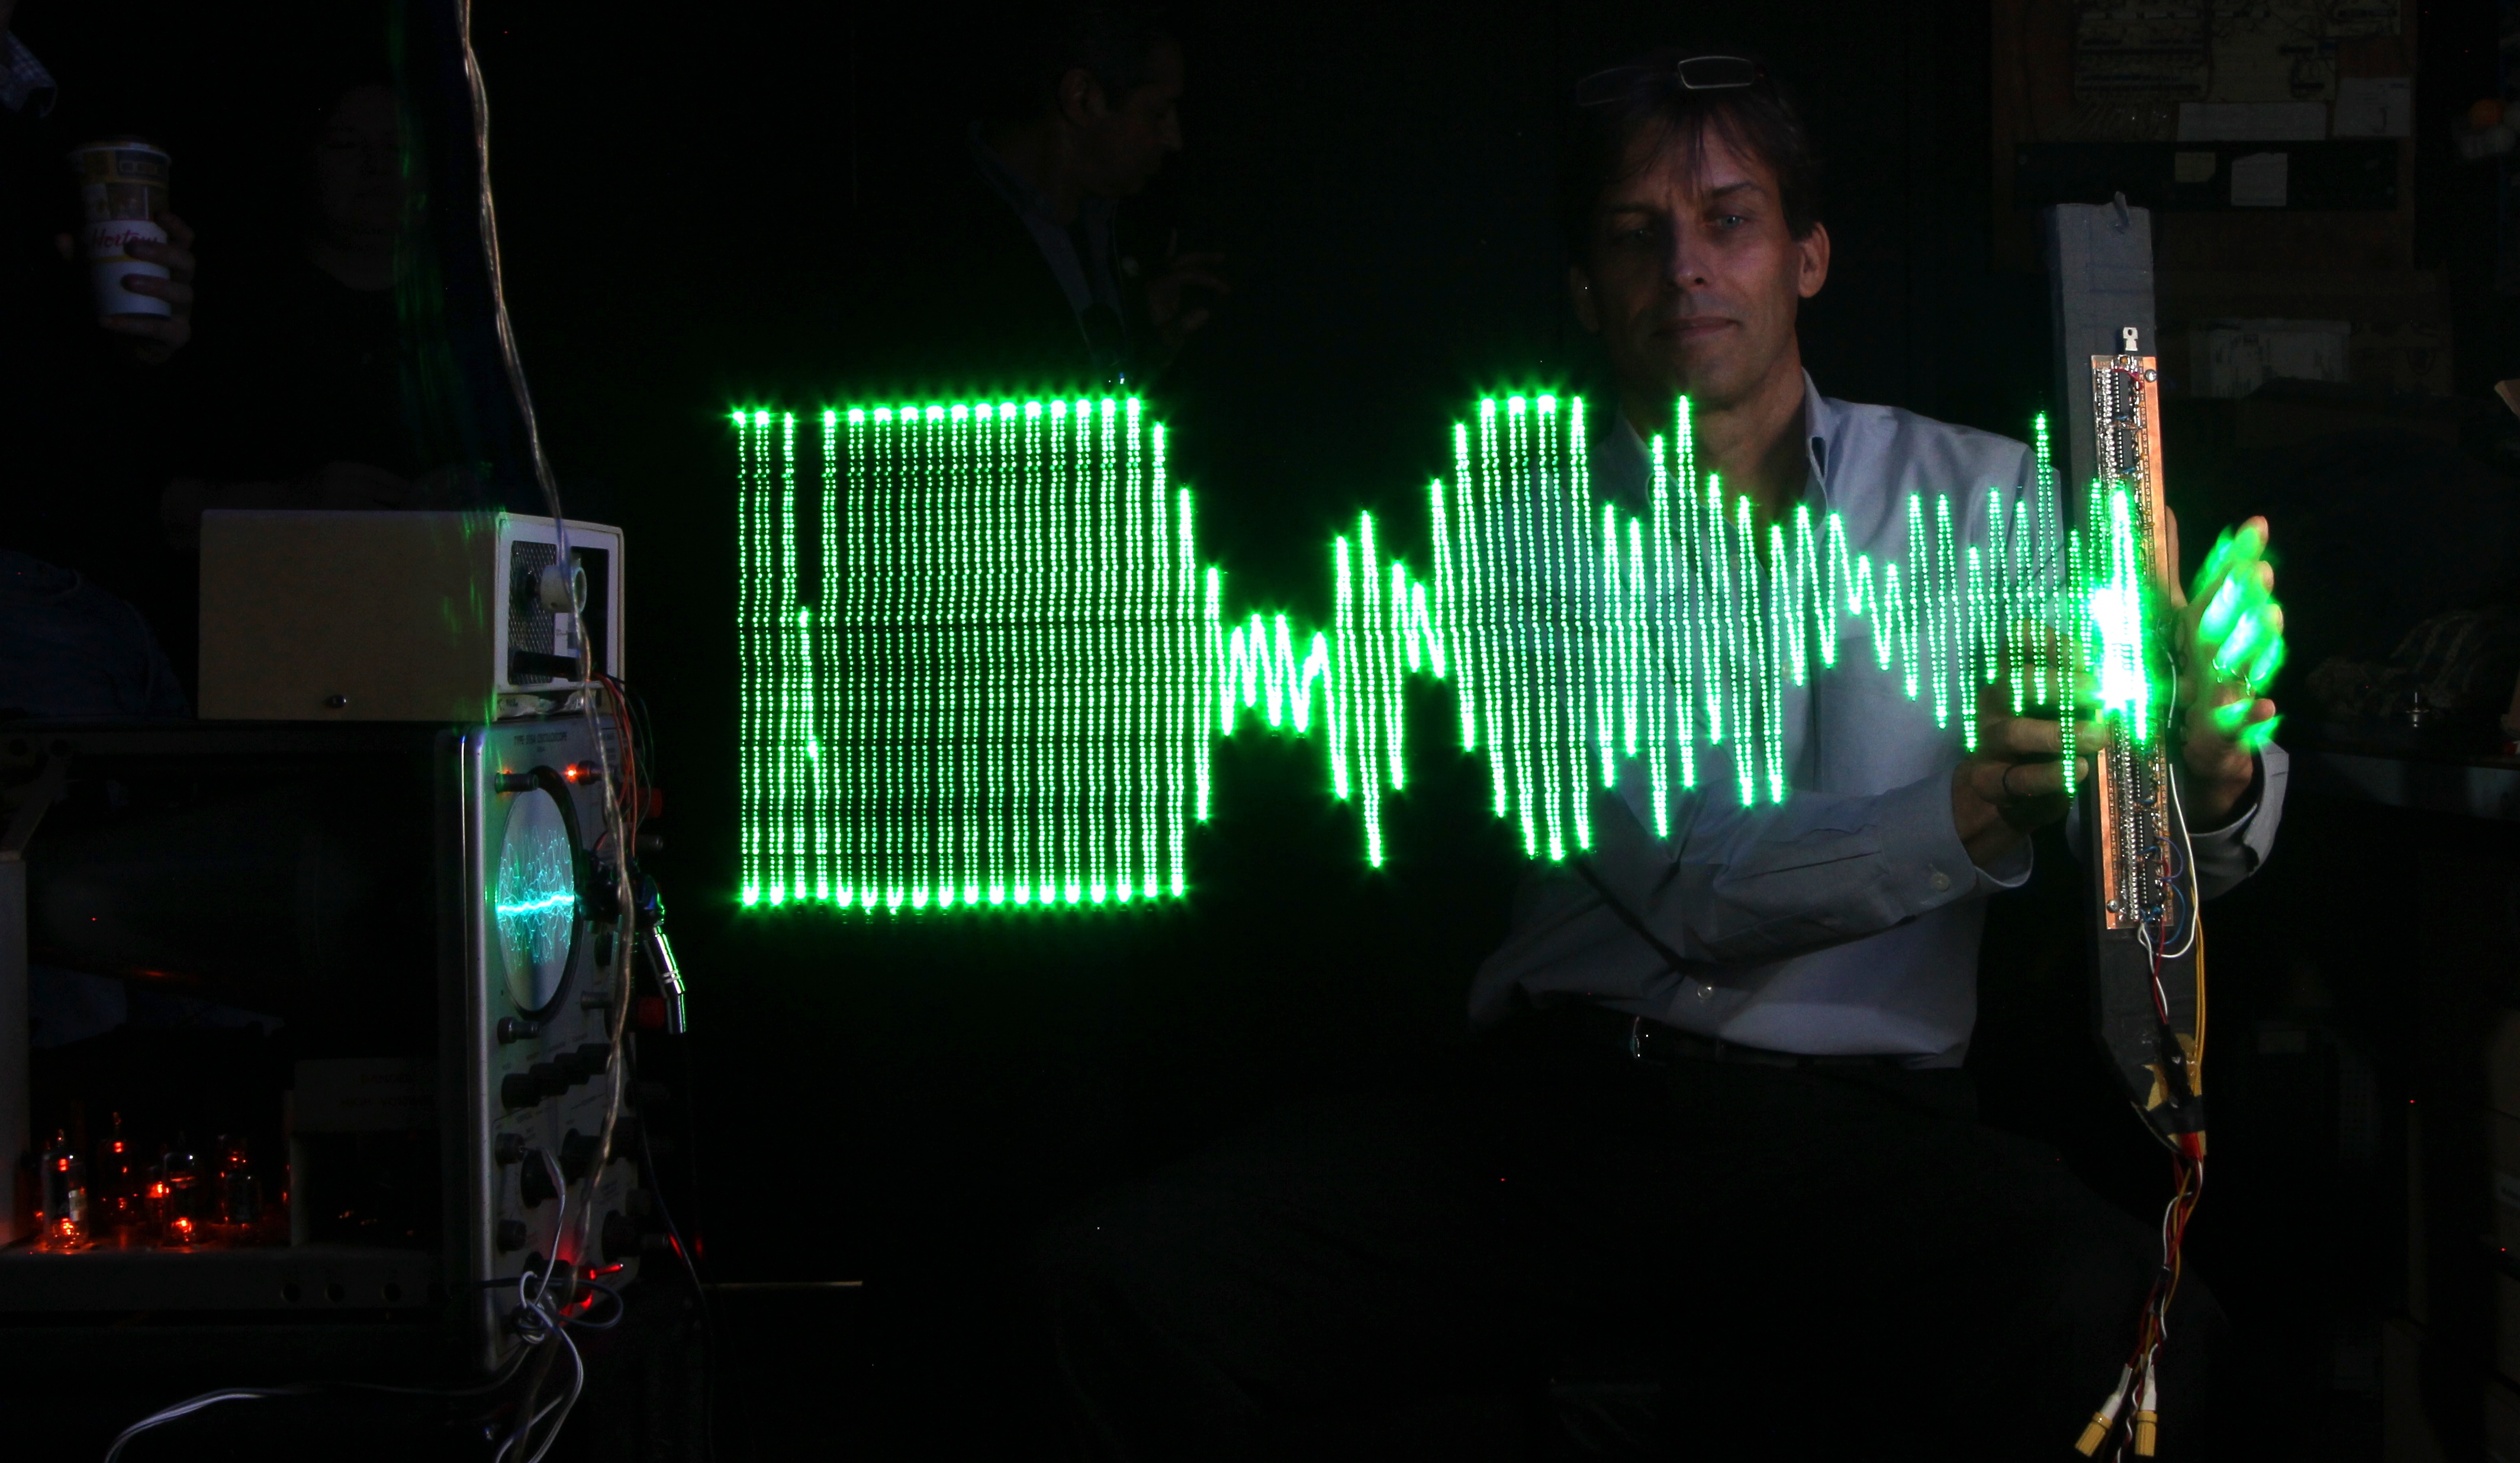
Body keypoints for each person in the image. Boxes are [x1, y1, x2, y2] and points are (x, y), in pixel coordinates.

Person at [1038, 50, 2287, 1458]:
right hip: (1556, 1126)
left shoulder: (1991, 494)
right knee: (1119, 1286)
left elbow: (2146, 830)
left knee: (2139, 1336)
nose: (1684, 265)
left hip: (1868, 1137)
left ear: (1809, 257)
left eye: (1729, 220)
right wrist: (1967, 816)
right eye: (1637, 235)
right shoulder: (1519, 532)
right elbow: (1692, 887)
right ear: (1586, 292)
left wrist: (2207, 777)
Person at [867, 2, 1224, 391]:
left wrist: (1141, 354)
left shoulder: (1134, 230)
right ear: (1081, 98)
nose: (1174, 139)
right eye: (1157, 112)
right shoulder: (917, 243)